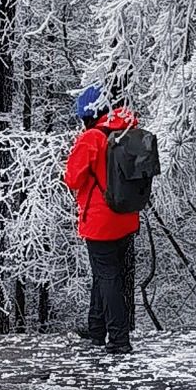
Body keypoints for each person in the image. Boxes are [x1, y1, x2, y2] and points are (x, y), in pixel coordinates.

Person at [64, 85, 142, 356]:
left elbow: (72, 178)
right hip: (126, 215)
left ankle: (119, 338)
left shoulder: (92, 138)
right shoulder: (128, 130)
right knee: (107, 273)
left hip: (100, 220)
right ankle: (96, 329)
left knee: (107, 276)